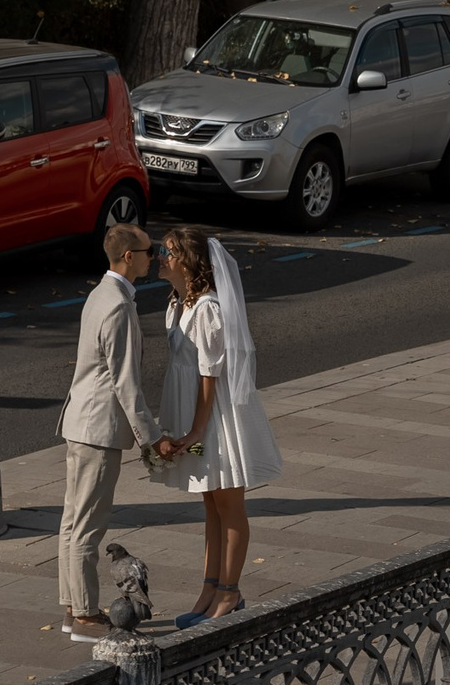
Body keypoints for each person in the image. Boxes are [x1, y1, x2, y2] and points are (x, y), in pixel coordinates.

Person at [151, 227, 283, 629]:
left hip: (216, 425)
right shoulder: (177, 304)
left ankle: (230, 592)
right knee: (210, 501)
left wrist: (194, 432)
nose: (160, 257)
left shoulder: (207, 308)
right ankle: (209, 589)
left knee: (228, 504)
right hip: (192, 423)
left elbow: (210, 375)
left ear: (189, 262)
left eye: (168, 252)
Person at [55, 221, 161, 641]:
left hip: (81, 422)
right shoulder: (118, 305)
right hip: (98, 429)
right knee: (87, 526)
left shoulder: (101, 293)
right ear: (129, 257)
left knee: (72, 522)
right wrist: (151, 438)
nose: (154, 258)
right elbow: (125, 381)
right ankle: (84, 616)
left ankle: (73, 607)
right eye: (149, 251)